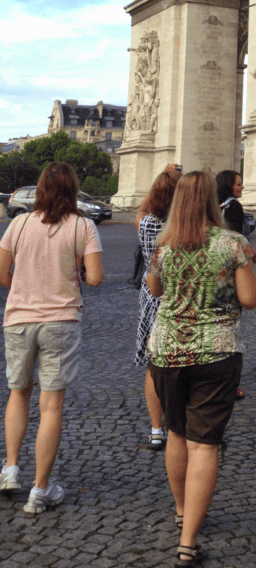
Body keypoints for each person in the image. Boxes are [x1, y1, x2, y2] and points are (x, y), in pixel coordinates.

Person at [147, 170, 256, 567]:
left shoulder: (164, 246)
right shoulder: (232, 243)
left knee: (176, 434)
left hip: (166, 352)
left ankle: (181, 511)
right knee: (205, 444)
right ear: (214, 199)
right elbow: (250, 299)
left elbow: (155, 290)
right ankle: (188, 540)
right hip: (216, 352)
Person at [0, 162, 104, 513]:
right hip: (61, 319)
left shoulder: (18, 223)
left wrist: (26, 287)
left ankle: (11, 468)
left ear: (41, 189)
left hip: (18, 319)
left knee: (18, 393)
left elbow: (3, 274)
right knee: (51, 406)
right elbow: (95, 279)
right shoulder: (83, 226)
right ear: (74, 190)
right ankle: (39, 490)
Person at [135, 169, 179, 450]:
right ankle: (178, 425)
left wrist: (158, 181)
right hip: (176, 297)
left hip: (151, 296)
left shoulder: (147, 225)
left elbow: (141, 211)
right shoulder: (183, 227)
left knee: (153, 368)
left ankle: (155, 430)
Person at [216, 169, 256, 401]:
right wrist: (253, 254)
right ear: (229, 186)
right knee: (230, 325)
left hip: (213, 266)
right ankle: (229, 384)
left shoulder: (215, 204)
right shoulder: (233, 206)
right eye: (238, 184)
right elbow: (235, 235)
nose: (242, 187)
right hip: (231, 266)